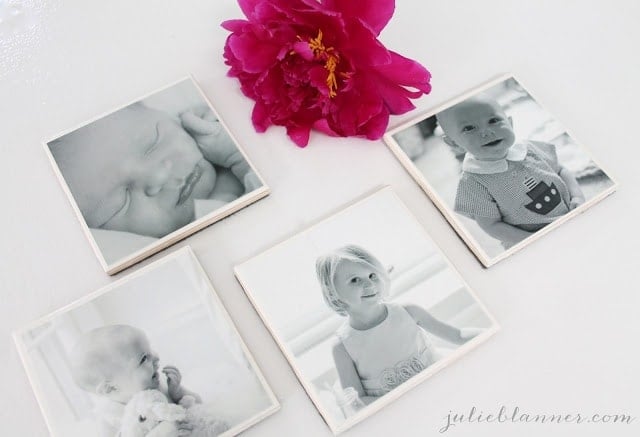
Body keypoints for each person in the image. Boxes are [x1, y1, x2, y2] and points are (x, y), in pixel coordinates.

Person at [49, 102, 261, 239]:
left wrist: (238, 145)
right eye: (122, 202)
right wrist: (239, 159)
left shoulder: (216, 120)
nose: (158, 177)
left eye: (152, 144)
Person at [316, 245, 477, 404]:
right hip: (399, 408)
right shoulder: (342, 346)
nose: (369, 285)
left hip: (439, 384)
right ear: (332, 292)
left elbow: (458, 335)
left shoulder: (408, 312)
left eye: (372, 275)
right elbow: (358, 401)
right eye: (355, 280)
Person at [436, 95, 585, 248]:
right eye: (469, 128)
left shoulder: (530, 149)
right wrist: (533, 239)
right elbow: (492, 225)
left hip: (570, 215)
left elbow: (561, 170)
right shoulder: (473, 183)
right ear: (453, 143)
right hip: (529, 240)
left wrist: (577, 196)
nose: (487, 132)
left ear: (510, 123)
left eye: (493, 121)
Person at [70, 324, 200, 437]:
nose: (156, 357)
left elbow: (199, 405)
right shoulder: (109, 418)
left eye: (150, 350)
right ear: (111, 388)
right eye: (143, 358)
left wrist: (177, 393)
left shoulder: (157, 388)